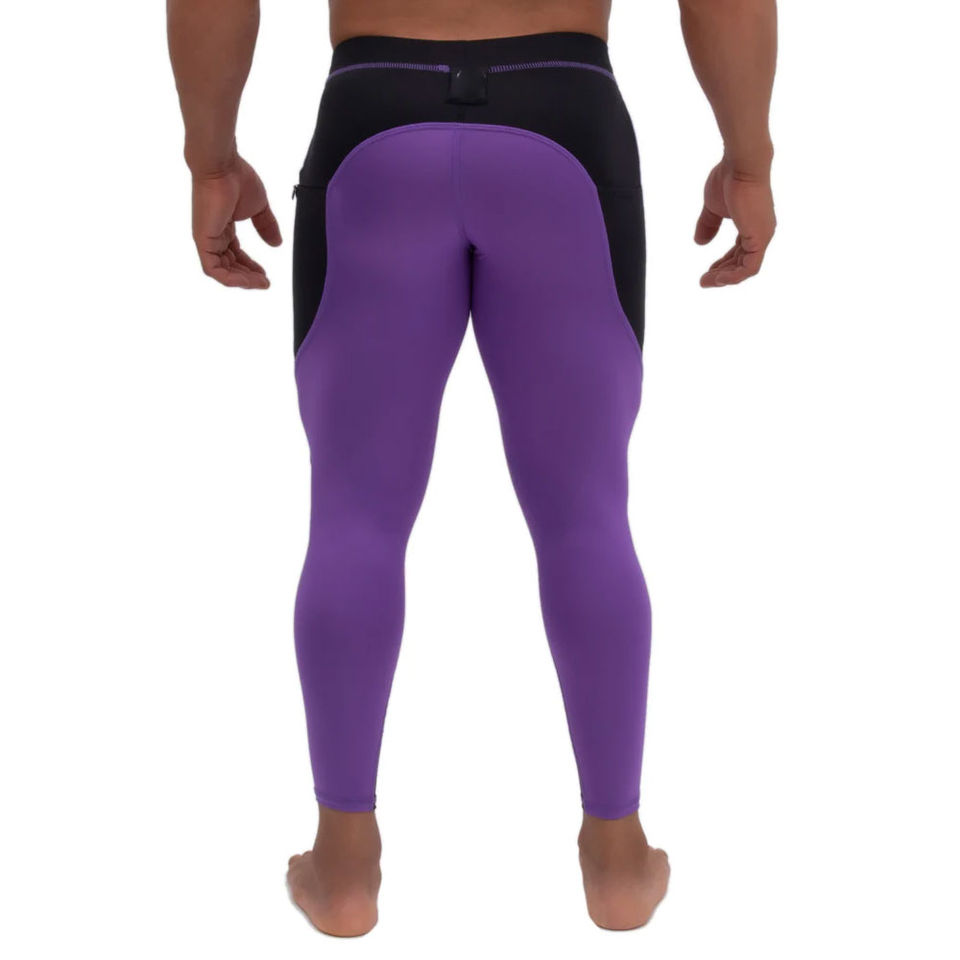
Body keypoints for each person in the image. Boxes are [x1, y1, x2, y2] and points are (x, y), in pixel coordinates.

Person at [167, 0, 777, 937]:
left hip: (377, 121)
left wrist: (211, 163)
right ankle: (617, 859)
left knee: (354, 515)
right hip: (563, 126)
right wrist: (748, 160)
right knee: (586, 516)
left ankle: (344, 864)